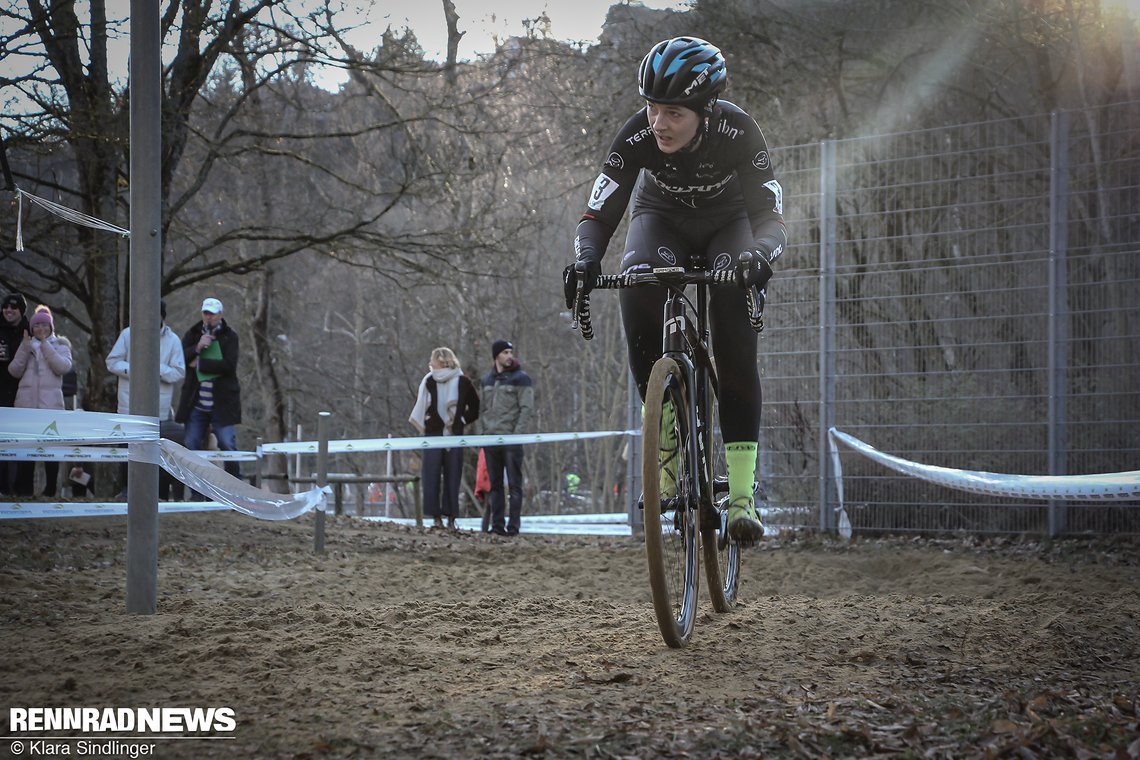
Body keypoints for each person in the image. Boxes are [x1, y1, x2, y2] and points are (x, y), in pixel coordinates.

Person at [563, 36, 787, 544]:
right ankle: (666, 444)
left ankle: (743, 498)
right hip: (659, 220)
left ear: (705, 111)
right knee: (636, 283)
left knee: (734, 337)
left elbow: (770, 217)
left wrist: (760, 255)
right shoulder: (638, 135)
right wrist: (584, 261)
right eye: (650, 108)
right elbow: (598, 212)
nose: (657, 123)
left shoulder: (738, 130)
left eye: (673, 113)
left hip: (729, 224)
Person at [106, 299, 186, 497]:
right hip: (129, 404)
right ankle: (127, 489)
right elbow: (112, 362)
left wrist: (156, 369)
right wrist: (137, 370)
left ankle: (157, 493)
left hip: (159, 407)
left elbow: (178, 372)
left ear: (161, 316)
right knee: (128, 448)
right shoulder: (128, 334)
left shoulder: (173, 340)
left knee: (156, 451)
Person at [409, 347, 480, 530]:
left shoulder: (463, 382)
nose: (430, 363)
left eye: (432, 360)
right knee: (430, 475)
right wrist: (427, 419)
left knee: (453, 475)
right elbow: (421, 405)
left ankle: (451, 516)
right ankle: (435, 516)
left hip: (454, 435)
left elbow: (475, 407)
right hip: (433, 434)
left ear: (441, 360)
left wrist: (461, 420)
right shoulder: (429, 381)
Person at [7, 305, 73, 498]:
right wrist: (25, 348)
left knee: (51, 450)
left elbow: (63, 367)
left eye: (45, 325)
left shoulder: (60, 344)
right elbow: (14, 370)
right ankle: (24, 490)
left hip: (50, 406)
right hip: (26, 406)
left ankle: (50, 489)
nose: (41, 329)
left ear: (51, 327)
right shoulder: (26, 344)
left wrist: (45, 345)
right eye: (37, 326)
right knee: (26, 450)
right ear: (32, 327)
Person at [175, 297, 242, 480]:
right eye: (206, 313)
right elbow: (180, 358)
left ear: (221, 315)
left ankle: (235, 485)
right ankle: (197, 488)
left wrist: (200, 364)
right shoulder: (193, 334)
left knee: (227, 444)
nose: (209, 317)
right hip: (196, 403)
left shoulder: (230, 336)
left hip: (222, 403)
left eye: (213, 314)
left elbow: (229, 365)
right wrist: (197, 347)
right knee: (191, 444)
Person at [479, 340, 534, 536]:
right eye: (505, 352)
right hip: (490, 440)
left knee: (514, 485)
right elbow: (482, 410)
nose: (509, 356)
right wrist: (482, 434)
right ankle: (497, 525)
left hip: (511, 440)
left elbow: (526, 409)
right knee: (494, 486)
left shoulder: (521, 378)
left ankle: (513, 527)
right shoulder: (486, 380)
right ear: (496, 356)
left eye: (510, 352)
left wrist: (516, 434)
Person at [0, 292, 29, 495]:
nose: (9, 311)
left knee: (19, 440)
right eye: (6, 307)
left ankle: (20, 487)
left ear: (21, 311)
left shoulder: (29, 330)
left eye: (14, 308)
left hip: (21, 392)